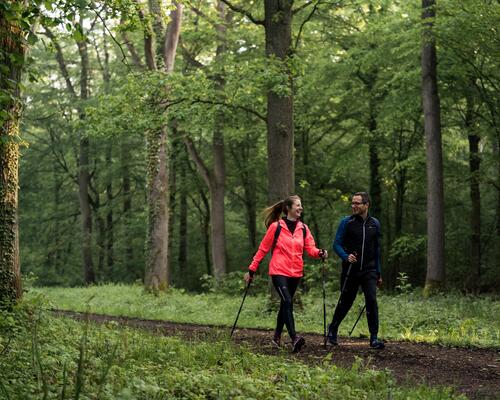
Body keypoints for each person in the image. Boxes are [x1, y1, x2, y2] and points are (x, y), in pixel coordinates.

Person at [244, 195, 327, 353]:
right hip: (279, 270)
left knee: (285, 304)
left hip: (296, 273)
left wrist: (320, 253)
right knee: (288, 301)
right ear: (288, 208)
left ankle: (276, 338)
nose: (300, 208)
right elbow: (263, 249)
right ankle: (294, 338)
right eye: (297, 205)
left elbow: (311, 249)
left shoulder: (303, 228)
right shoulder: (276, 227)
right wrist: (252, 269)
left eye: (301, 205)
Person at [327, 192, 385, 349]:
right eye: (352, 203)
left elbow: (377, 249)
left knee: (371, 300)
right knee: (346, 301)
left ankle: (374, 338)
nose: (353, 206)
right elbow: (336, 244)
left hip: (369, 270)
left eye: (357, 203)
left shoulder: (375, 224)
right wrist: (346, 256)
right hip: (350, 269)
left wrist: (378, 272)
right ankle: (333, 328)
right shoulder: (347, 222)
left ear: (366, 205)